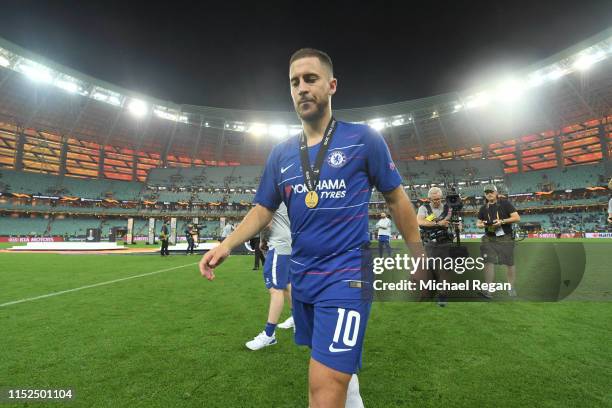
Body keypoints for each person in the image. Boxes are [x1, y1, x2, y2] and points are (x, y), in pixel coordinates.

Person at [199, 48, 423, 408]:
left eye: (310, 79)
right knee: (330, 369)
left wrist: (417, 254)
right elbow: (262, 209)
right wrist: (227, 244)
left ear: (332, 85)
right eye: (294, 82)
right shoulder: (281, 154)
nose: (302, 87)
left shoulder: (363, 140)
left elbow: (397, 199)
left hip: (348, 273)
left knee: (323, 389)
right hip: (303, 277)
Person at [245, 202, 294, 350]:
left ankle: (269, 334)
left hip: (278, 244)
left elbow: (266, 221)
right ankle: (297, 319)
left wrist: (262, 240)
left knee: (275, 289)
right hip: (288, 242)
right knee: (286, 284)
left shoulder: (271, 193)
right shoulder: (285, 194)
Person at [476, 184, 520, 298]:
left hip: (505, 237)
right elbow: (478, 223)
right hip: (489, 237)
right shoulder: (483, 208)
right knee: (488, 263)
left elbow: (516, 218)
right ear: (485, 195)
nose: (489, 194)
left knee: (509, 263)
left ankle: (510, 287)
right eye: (486, 192)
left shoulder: (505, 204)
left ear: (496, 193)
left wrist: (502, 222)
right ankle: (488, 290)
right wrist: (482, 225)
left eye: (491, 191)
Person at [417, 187, 454, 307]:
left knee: (445, 270)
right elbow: (420, 222)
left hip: (446, 242)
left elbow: (453, 221)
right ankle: (425, 293)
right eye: (434, 199)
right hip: (430, 243)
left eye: (438, 199)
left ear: (441, 198)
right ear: (429, 199)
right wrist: (438, 223)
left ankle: (442, 295)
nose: (436, 201)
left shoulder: (448, 208)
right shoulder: (423, 208)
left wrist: (457, 226)